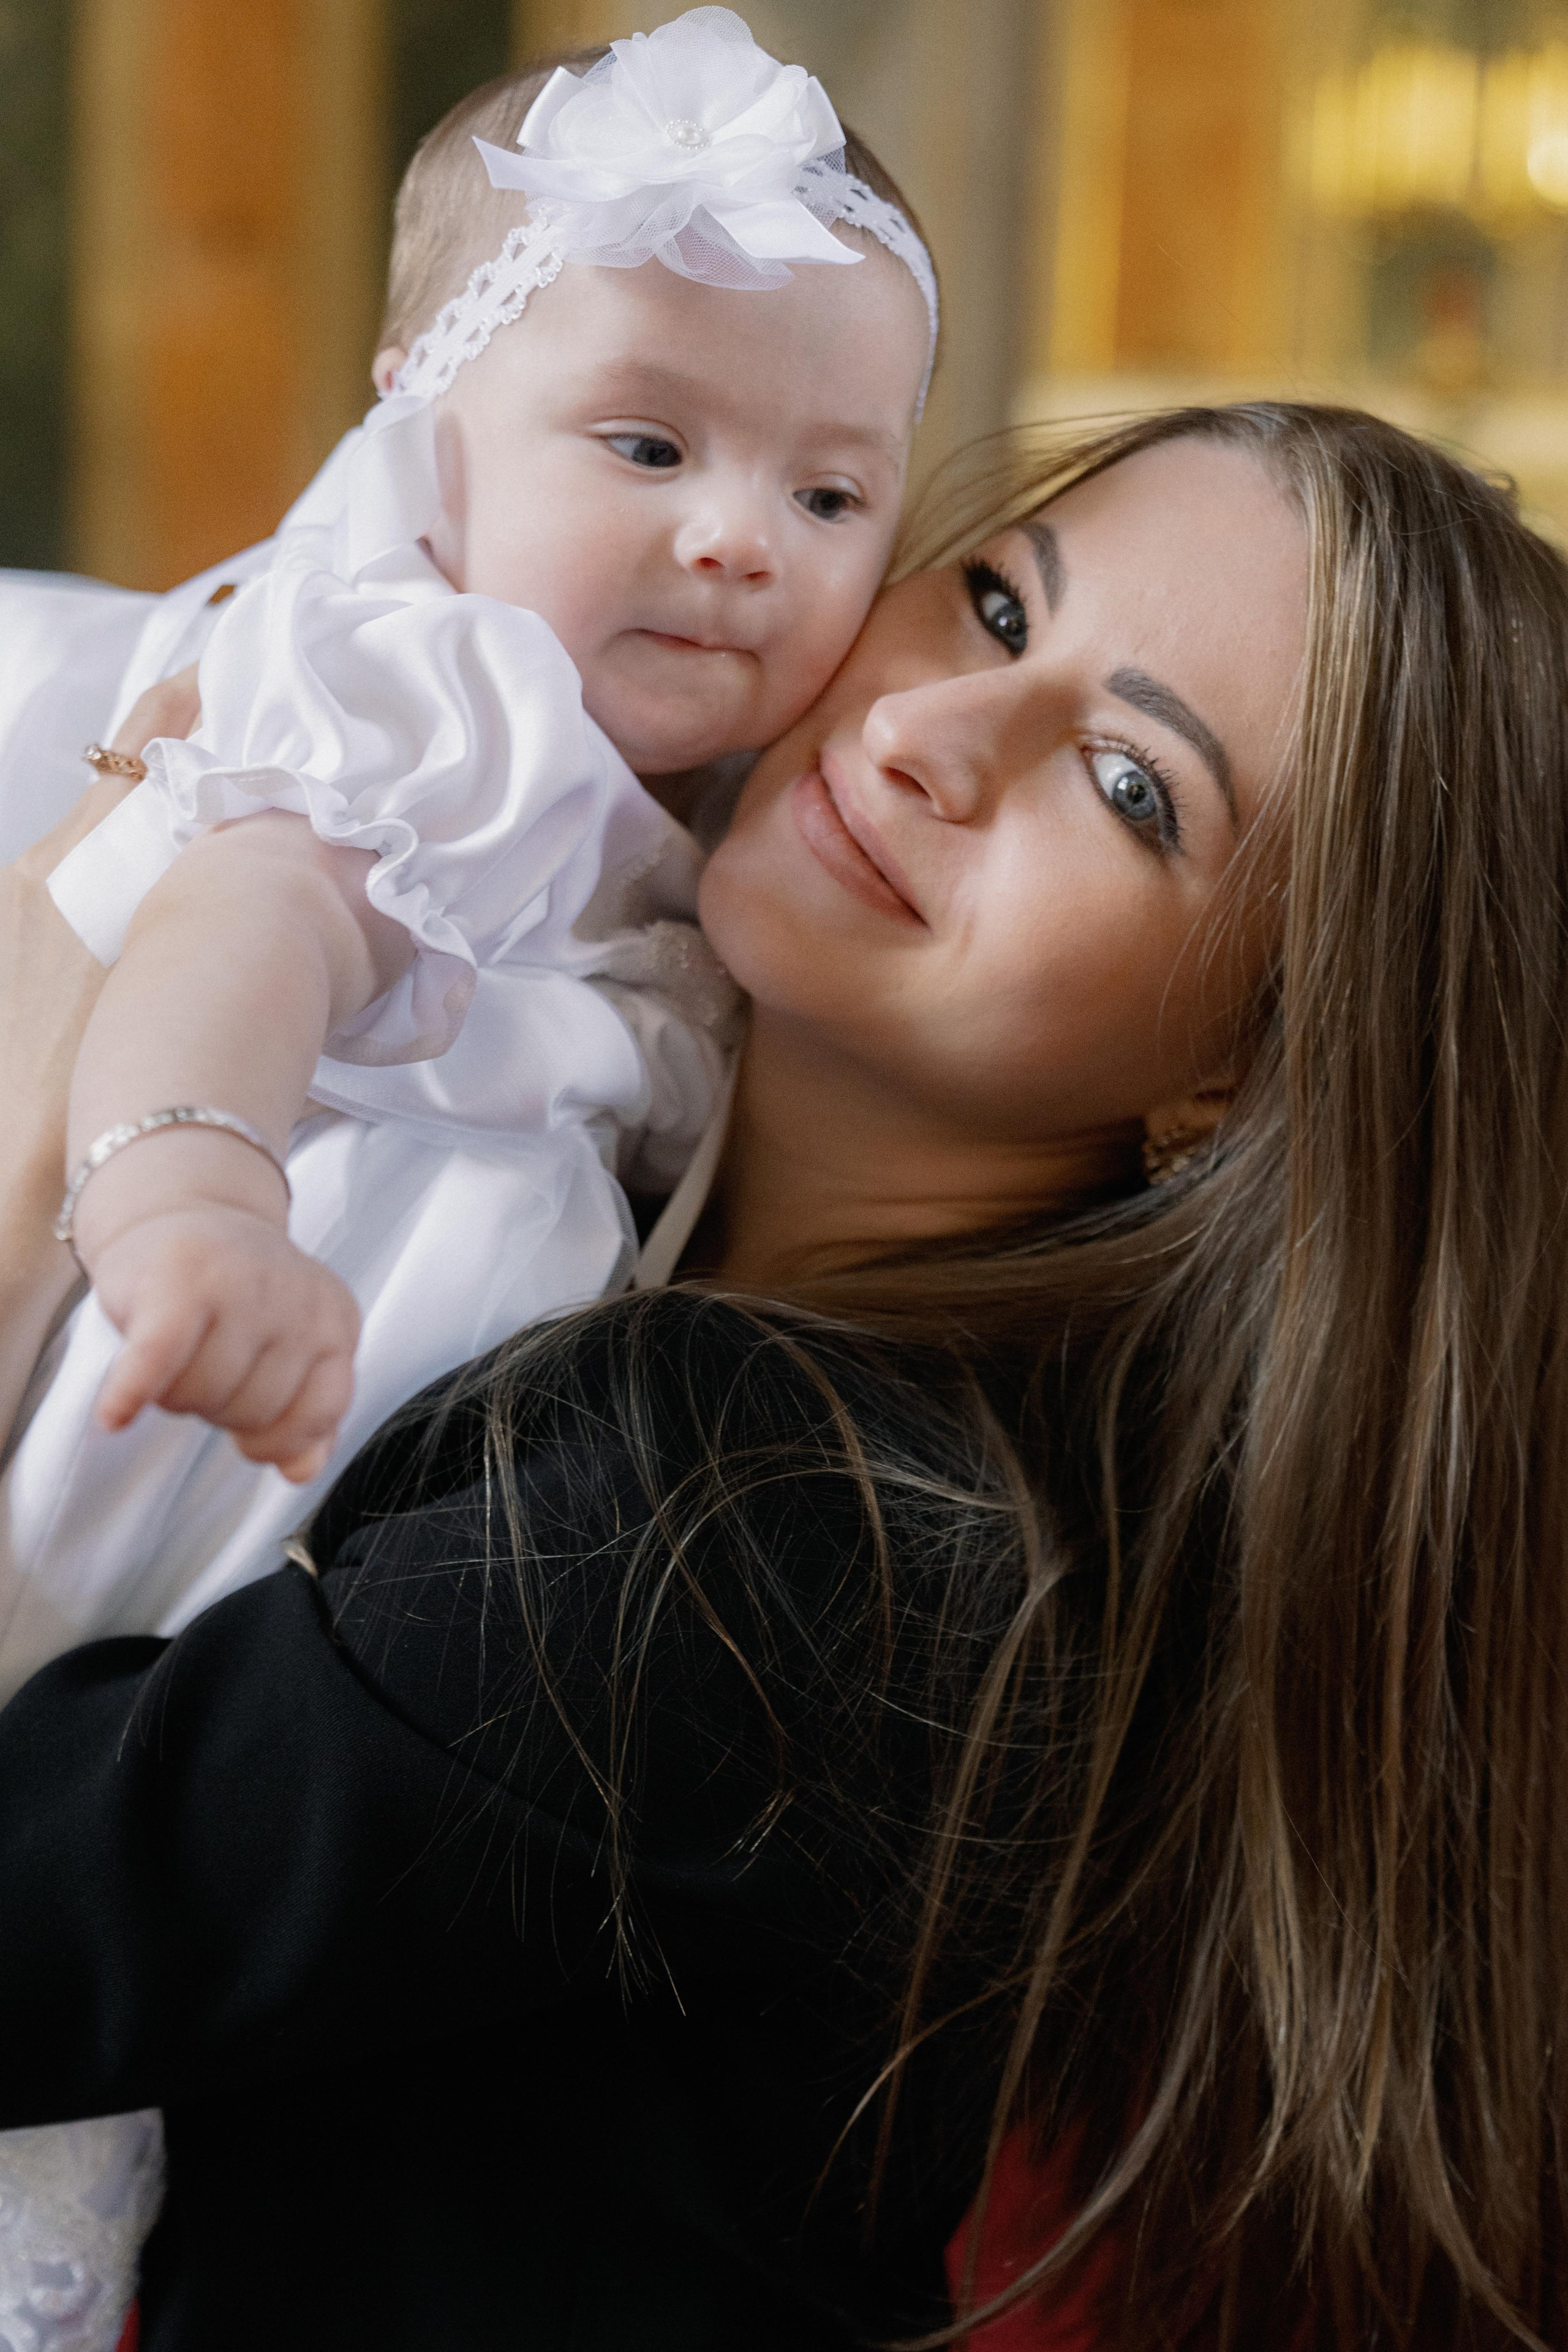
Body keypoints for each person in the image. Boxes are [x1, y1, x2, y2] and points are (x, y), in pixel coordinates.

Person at [1, 399, 1564, 2351]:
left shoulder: (786, 1523)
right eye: (996, 607)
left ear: (1237, 1073)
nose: (928, 731)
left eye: (1129, 782)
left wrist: (42, 1077)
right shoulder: (586, 1171)